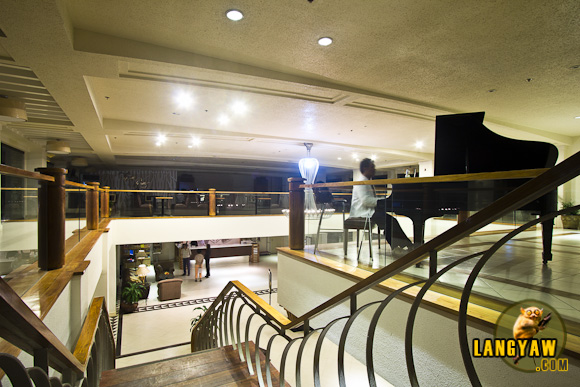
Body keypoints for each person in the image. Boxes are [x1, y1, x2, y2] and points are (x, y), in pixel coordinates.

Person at [349, 158, 414, 255]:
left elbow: (369, 199)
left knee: (390, 221)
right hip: (361, 213)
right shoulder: (362, 182)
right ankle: (404, 246)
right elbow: (366, 200)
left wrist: (382, 201)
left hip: (368, 211)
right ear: (365, 168)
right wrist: (382, 201)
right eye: (372, 167)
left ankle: (401, 246)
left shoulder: (367, 181)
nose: (374, 169)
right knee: (389, 221)